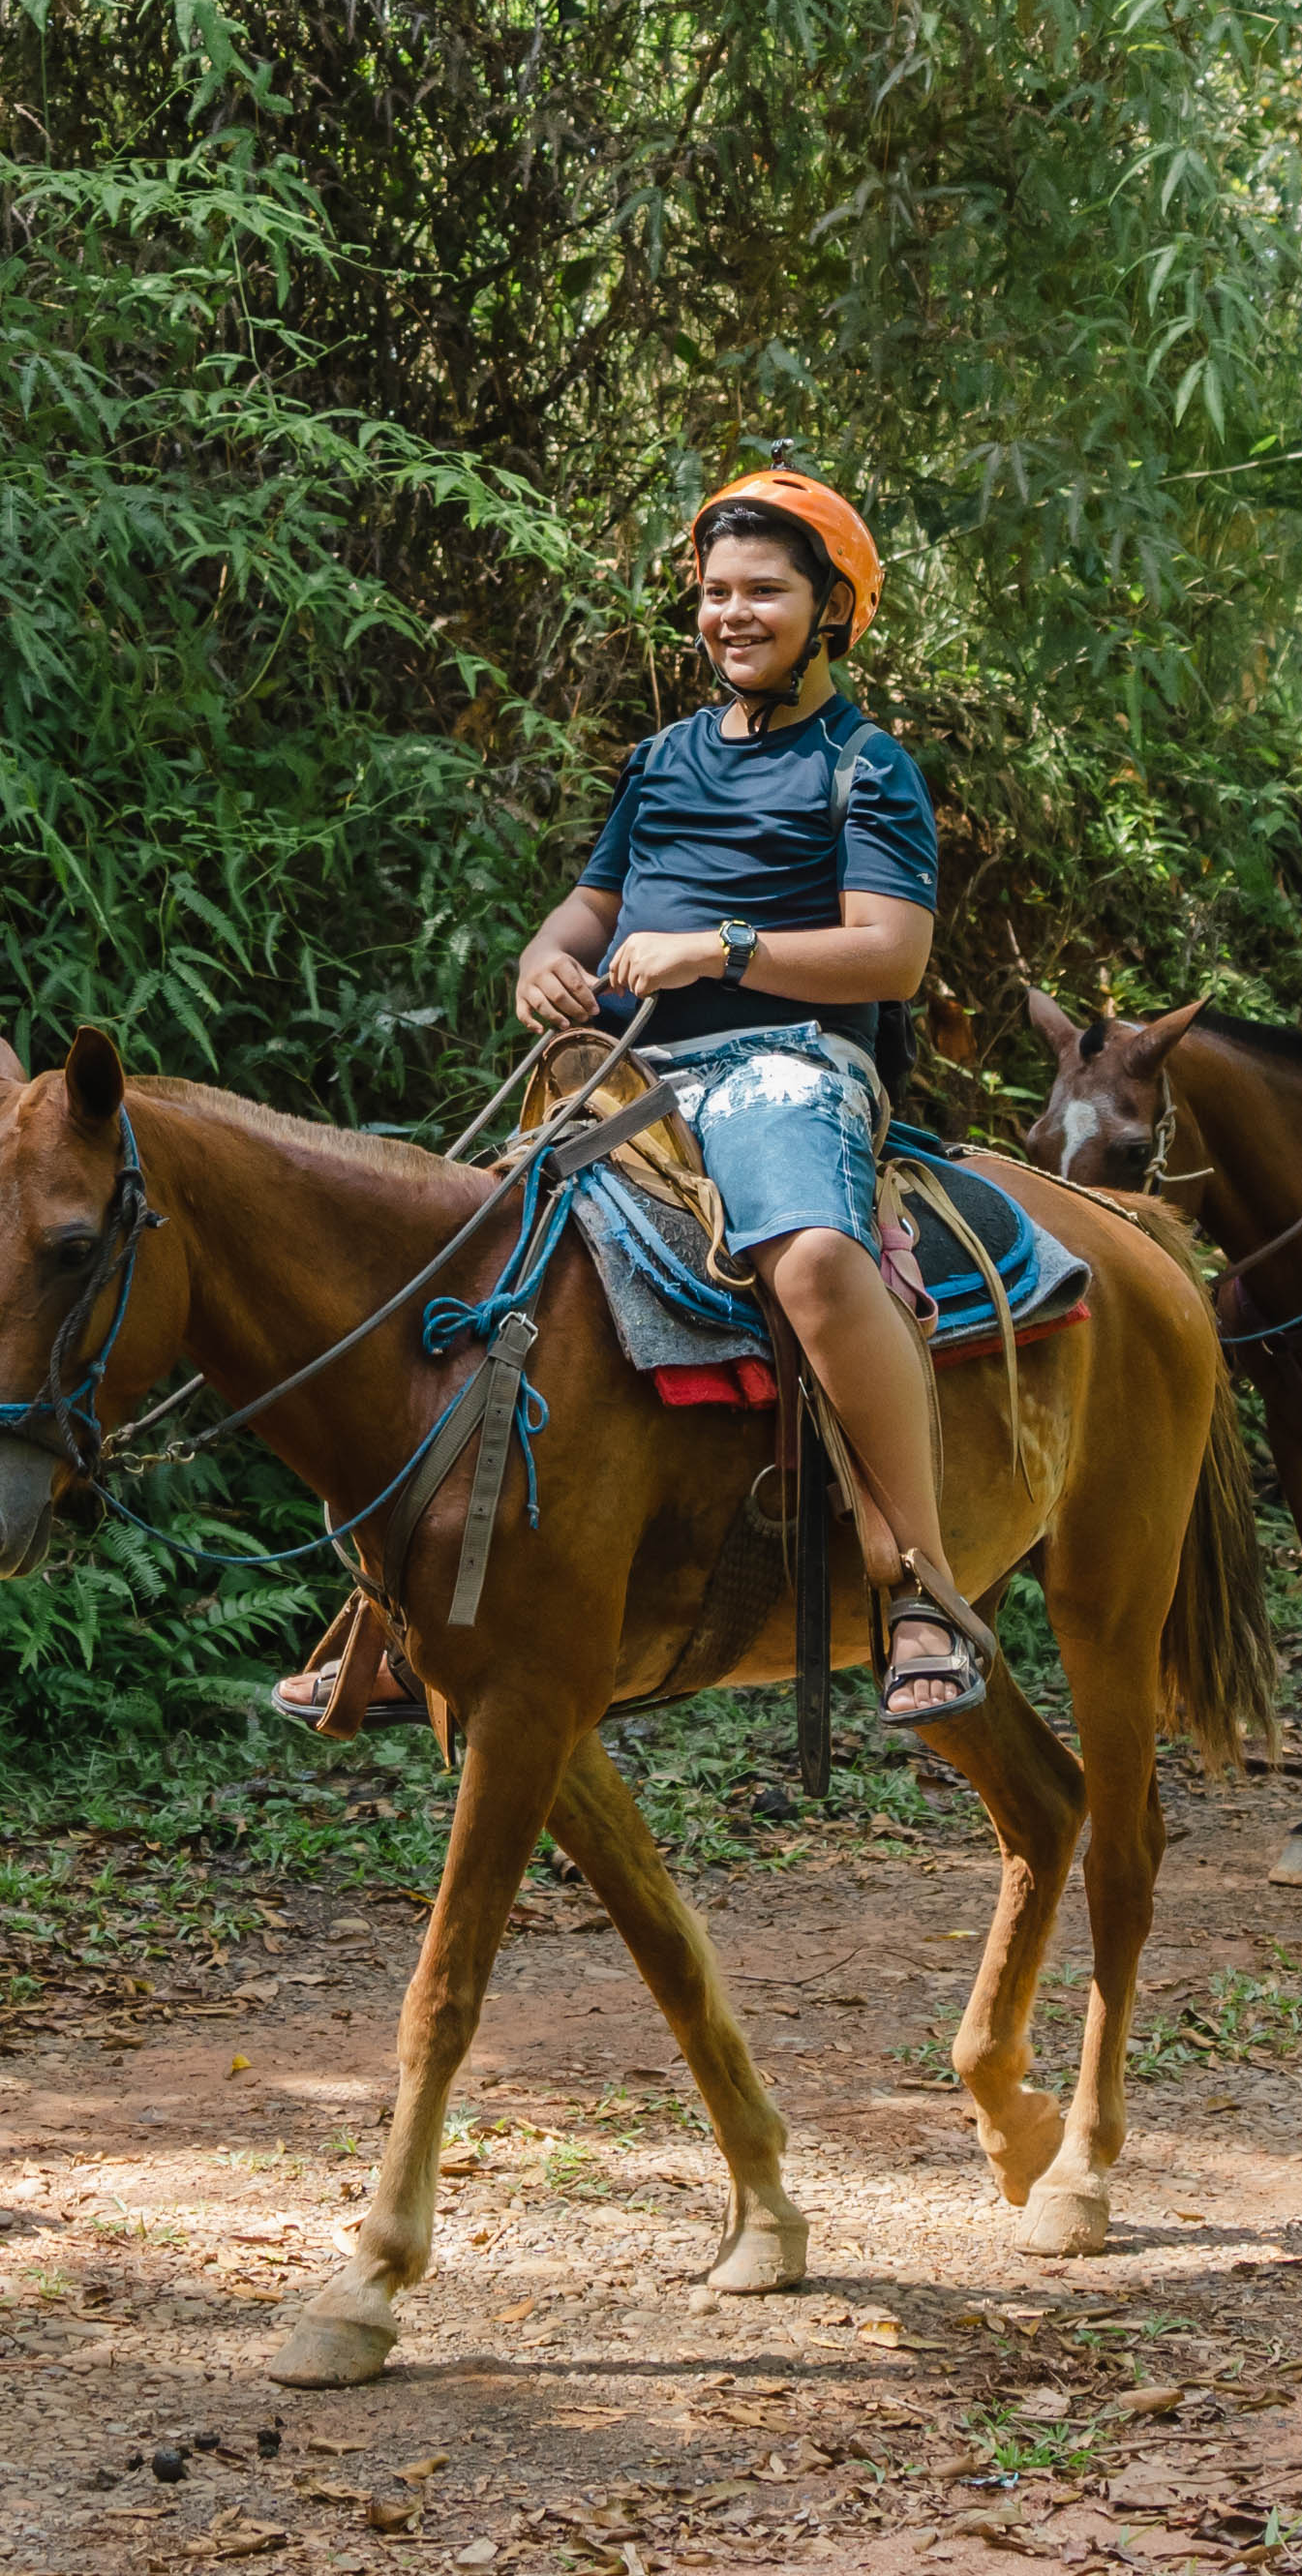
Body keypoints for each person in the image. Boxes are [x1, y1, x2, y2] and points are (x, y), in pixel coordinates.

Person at [279, 467, 981, 1733]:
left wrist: (720, 948)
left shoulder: (866, 770)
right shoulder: (662, 761)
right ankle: (390, 1611)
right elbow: (589, 908)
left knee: (818, 1261)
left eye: (764, 591)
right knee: (459, 1263)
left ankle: (922, 1585)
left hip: (786, 1063)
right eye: (714, 593)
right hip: (623, 1069)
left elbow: (893, 954)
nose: (732, 615)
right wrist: (543, 961)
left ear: (831, 610)